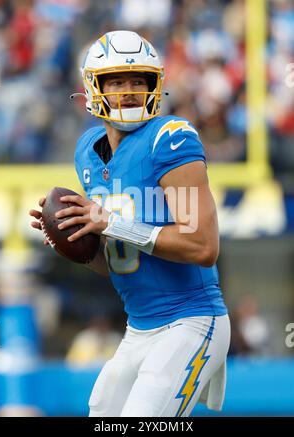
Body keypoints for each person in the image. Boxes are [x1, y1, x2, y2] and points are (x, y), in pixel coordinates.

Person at [30, 30, 230, 417]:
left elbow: (203, 247)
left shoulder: (171, 139)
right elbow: (121, 265)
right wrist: (78, 243)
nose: (128, 90)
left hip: (190, 320)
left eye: (138, 80)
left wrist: (112, 224)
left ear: (154, 86)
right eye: (116, 81)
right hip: (138, 329)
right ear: (94, 88)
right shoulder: (89, 151)